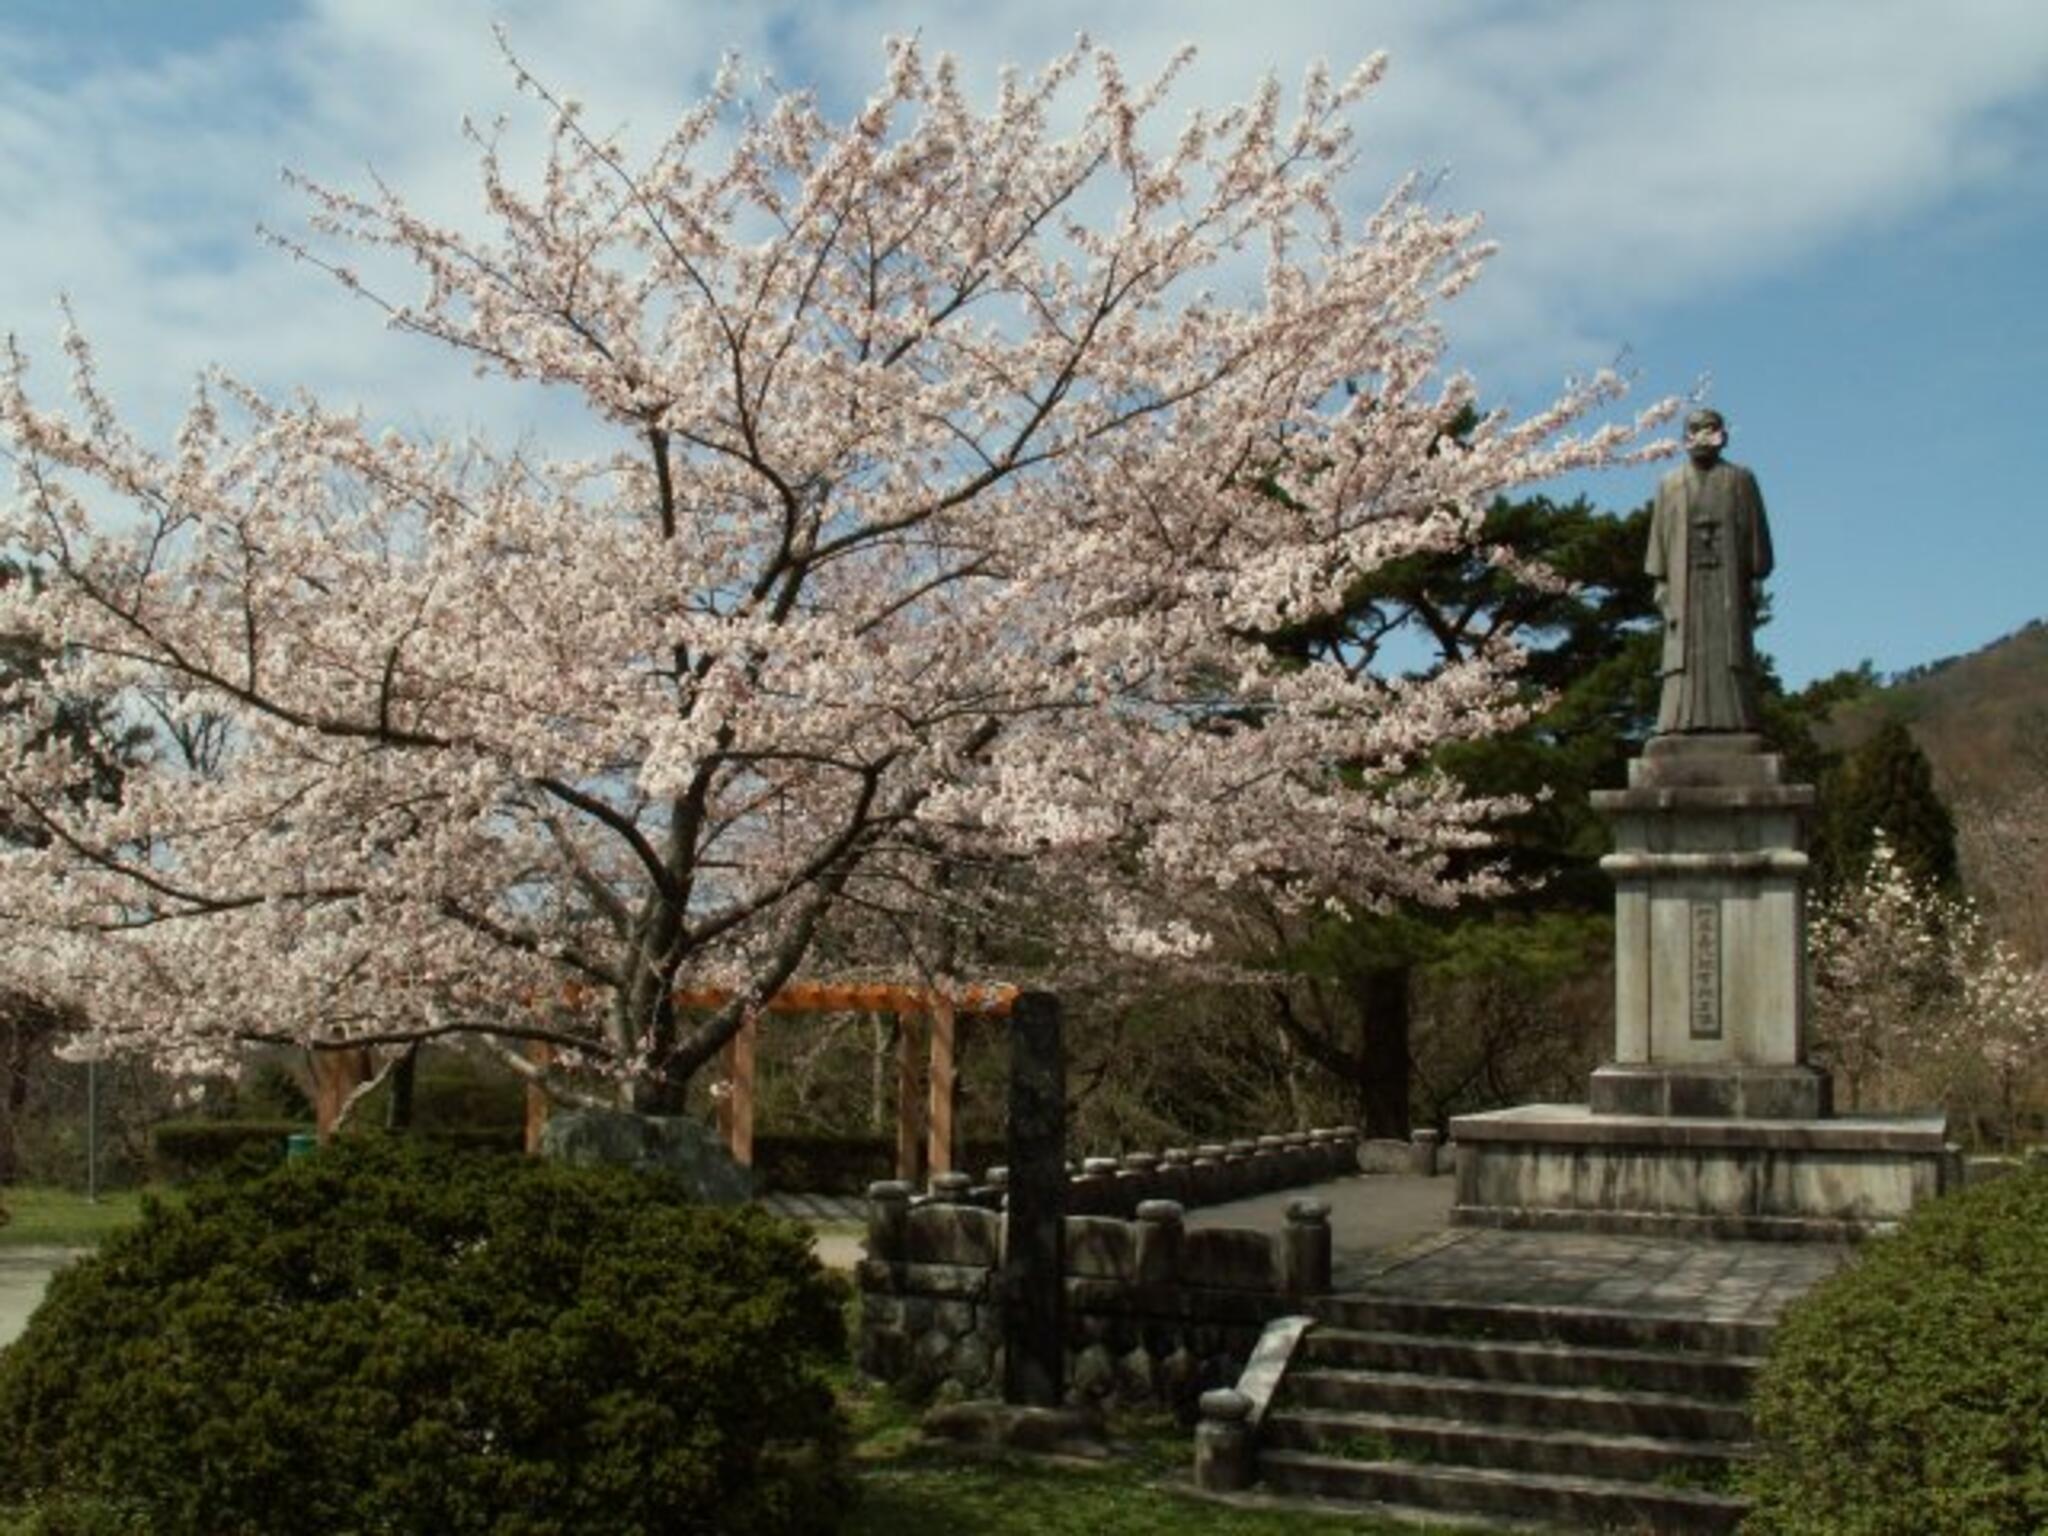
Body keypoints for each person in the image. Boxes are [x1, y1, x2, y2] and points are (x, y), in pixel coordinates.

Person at [1647, 409, 1773, 734]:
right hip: (1682, 585)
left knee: (1731, 651)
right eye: (1694, 429)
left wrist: (1756, 577)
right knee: (1682, 657)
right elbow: (1659, 539)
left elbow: (1757, 535)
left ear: (1723, 436)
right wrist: (1661, 582)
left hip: (1728, 581)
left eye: (1710, 428)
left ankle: (1738, 720)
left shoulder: (1741, 480)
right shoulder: (1670, 484)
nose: (1702, 435)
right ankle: (1676, 721)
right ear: (1684, 437)